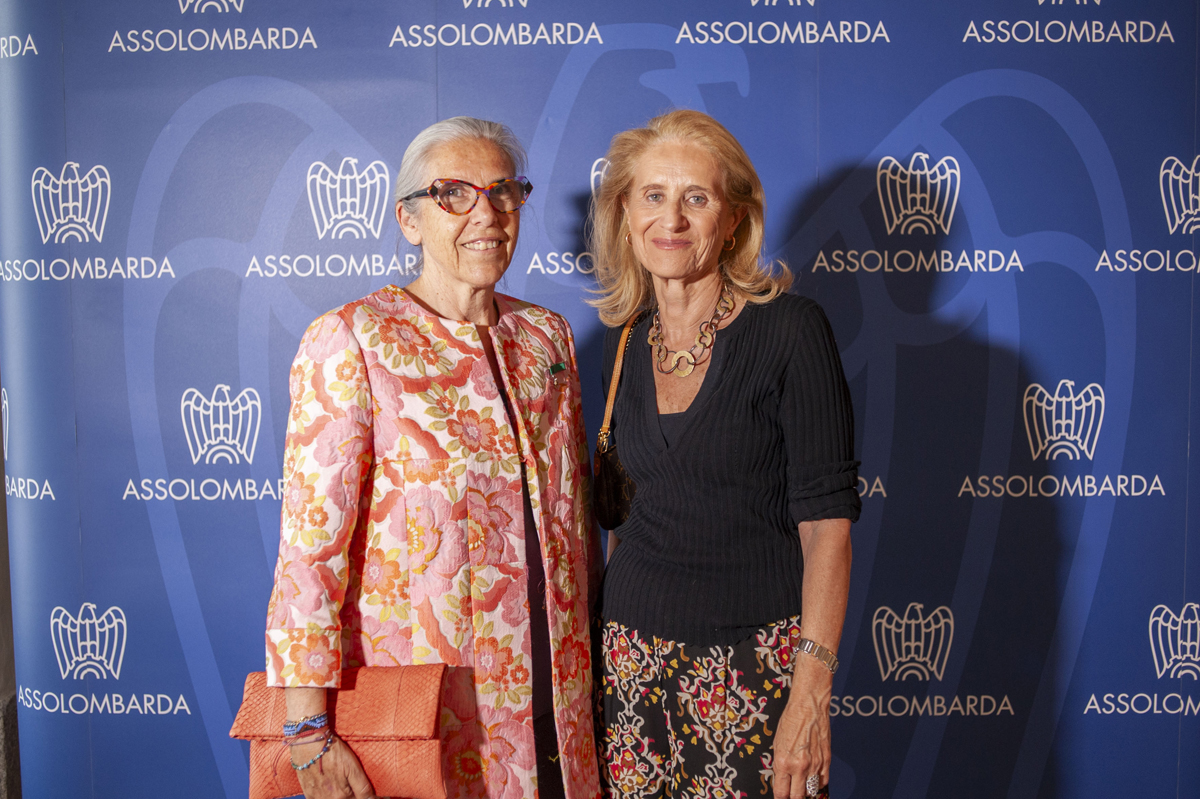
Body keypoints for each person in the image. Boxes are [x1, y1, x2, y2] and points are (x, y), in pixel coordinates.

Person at [264, 116, 602, 799]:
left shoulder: (547, 338)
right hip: (430, 717)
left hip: (558, 709)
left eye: (503, 192)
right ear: (409, 220)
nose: (487, 214)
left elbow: (576, 527)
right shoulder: (354, 339)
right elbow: (309, 556)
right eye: (454, 194)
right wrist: (306, 730)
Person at [589, 109, 859, 799]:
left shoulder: (791, 330)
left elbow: (827, 528)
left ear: (734, 218)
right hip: (627, 666)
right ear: (625, 212)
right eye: (653, 195)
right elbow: (623, 522)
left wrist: (811, 689)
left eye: (697, 198)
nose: (671, 219)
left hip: (753, 667)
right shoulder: (623, 340)